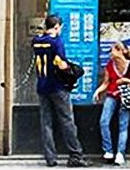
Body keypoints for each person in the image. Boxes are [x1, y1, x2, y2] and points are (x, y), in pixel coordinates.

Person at [33, 15, 91, 168]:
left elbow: (39, 39)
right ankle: (75, 155)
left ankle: (50, 158)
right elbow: (61, 64)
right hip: (57, 86)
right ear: (57, 26)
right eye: (60, 27)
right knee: (67, 121)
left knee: (46, 122)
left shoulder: (37, 41)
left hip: (42, 86)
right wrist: (73, 70)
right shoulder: (56, 42)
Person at [93, 41, 130, 166]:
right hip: (112, 95)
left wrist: (125, 80)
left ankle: (120, 153)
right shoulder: (110, 65)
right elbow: (106, 83)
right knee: (103, 121)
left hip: (126, 96)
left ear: (120, 51)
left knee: (123, 125)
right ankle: (108, 150)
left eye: (112, 50)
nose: (110, 53)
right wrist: (97, 91)